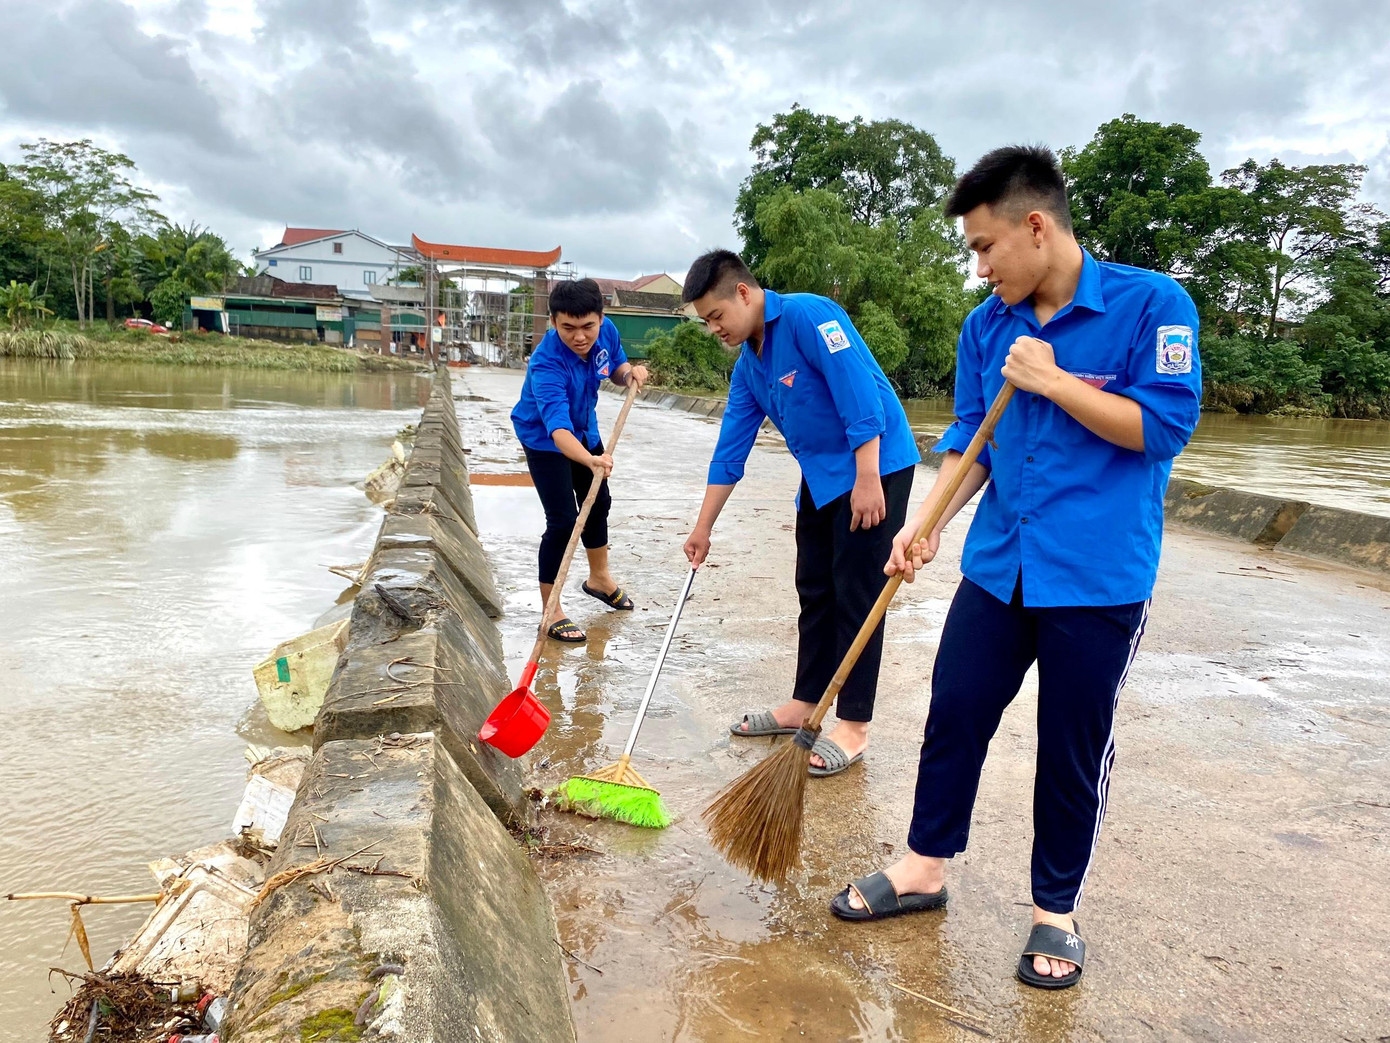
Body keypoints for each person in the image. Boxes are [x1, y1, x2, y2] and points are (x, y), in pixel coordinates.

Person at [829, 146, 1202, 990]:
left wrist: (1056, 379)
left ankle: (1054, 911)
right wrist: (926, 523)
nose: (980, 265)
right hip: (1000, 566)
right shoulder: (986, 324)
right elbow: (973, 441)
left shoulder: (1153, 305)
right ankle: (925, 865)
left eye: (985, 246)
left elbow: (1164, 432)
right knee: (955, 709)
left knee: (1072, 744)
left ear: (1037, 226)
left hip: (1100, 578)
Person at [681, 250, 920, 775]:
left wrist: (867, 478)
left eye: (717, 316)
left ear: (743, 292)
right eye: (706, 322)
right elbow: (730, 449)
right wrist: (703, 527)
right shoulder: (749, 366)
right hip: (822, 477)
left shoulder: (812, 315)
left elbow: (860, 395)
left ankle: (854, 726)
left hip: (876, 465)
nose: (714, 329)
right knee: (814, 586)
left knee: (858, 592)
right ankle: (806, 701)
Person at [510, 278, 648, 643]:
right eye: (568, 328)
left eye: (588, 326)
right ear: (553, 322)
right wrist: (590, 461)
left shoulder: (607, 331)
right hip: (545, 439)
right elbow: (557, 432)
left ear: (600, 319)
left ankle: (598, 579)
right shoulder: (546, 364)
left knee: (599, 501)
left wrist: (629, 373)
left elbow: (614, 369)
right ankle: (550, 608)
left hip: (584, 427)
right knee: (563, 521)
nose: (580, 336)